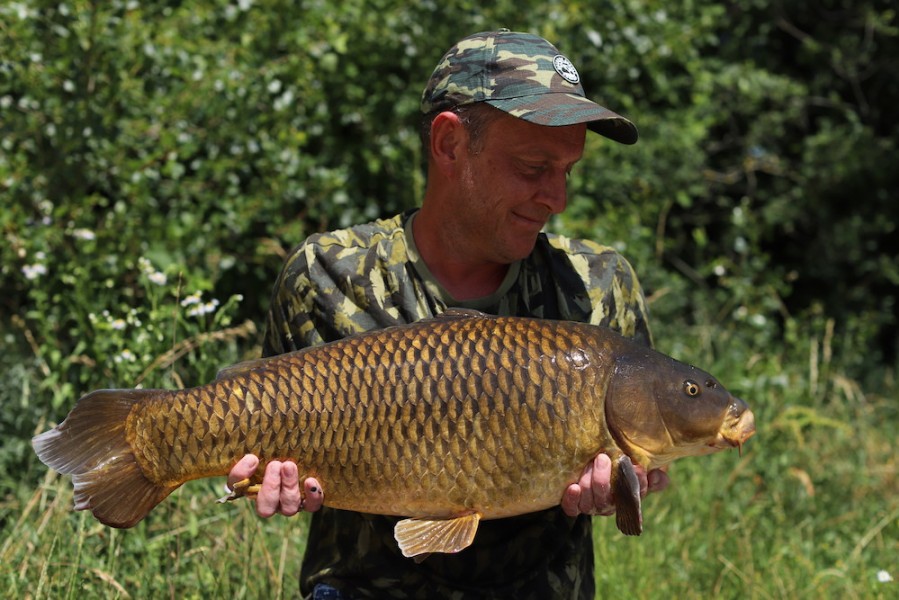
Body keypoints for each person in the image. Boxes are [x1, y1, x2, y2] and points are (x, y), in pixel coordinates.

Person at [228, 29, 669, 599]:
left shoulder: (597, 289)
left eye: (568, 170)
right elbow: (267, 440)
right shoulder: (328, 274)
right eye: (534, 167)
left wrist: (620, 490)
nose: (557, 198)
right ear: (449, 144)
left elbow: (639, 449)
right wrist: (271, 478)